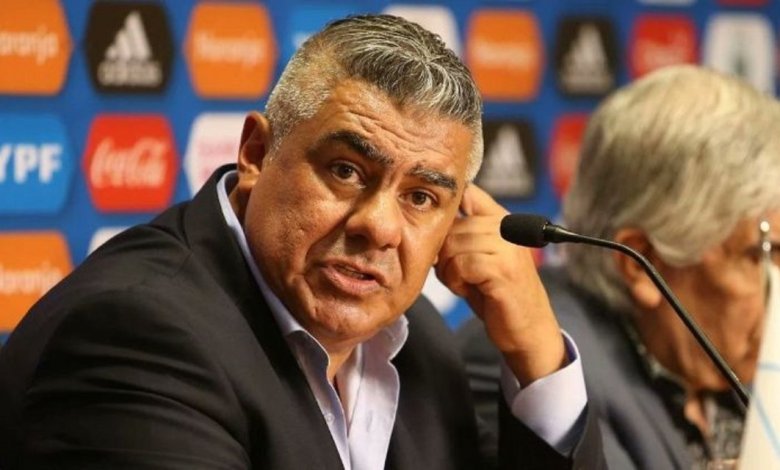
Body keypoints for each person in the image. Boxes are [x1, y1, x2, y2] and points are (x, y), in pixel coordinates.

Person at [0, 15, 605, 469]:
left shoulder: (415, 342)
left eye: (421, 197)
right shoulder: (139, 334)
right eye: (346, 170)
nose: (379, 226)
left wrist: (538, 354)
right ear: (256, 154)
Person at [457, 64, 780, 469]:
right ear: (642, 264)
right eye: (764, 255)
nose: (776, 283)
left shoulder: (726, 364)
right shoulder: (535, 363)